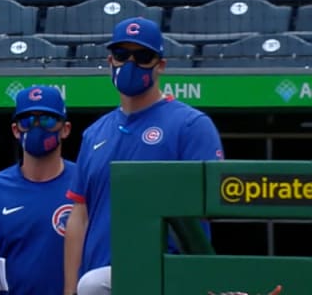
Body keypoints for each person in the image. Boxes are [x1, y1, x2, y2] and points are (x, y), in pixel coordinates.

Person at [64, 17, 224, 295]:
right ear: (109, 61)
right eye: (121, 55)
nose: (130, 64)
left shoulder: (191, 125)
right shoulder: (93, 134)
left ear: (160, 64)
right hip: (99, 280)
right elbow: (80, 215)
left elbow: (206, 211)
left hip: (164, 278)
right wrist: (69, 290)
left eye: (143, 56)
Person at [0, 85, 77, 295]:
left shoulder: (85, 183)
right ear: (16, 130)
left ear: (65, 129)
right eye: (27, 121)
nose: (37, 127)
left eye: (48, 120)